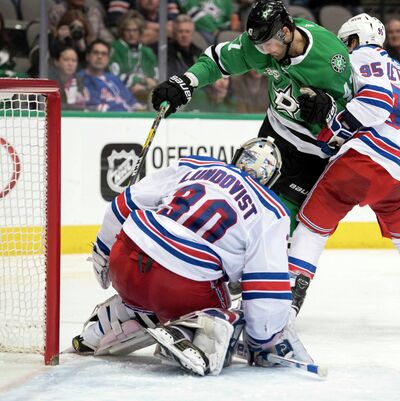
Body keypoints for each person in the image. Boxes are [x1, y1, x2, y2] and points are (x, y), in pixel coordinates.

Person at [72, 138, 314, 376]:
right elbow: (266, 289)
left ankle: (105, 326)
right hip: (181, 286)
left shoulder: (194, 165)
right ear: (270, 180)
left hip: (125, 259)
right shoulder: (271, 210)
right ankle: (191, 333)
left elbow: (121, 205)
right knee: (224, 308)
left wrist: (103, 254)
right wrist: (264, 340)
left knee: (154, 282)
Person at [286, 14, 400, 329]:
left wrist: (334, 128)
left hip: (365, 159)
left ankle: (291, 292)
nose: (343, 50)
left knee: (312, 223)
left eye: (345, 43)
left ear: (353, 40)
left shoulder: (358, 58)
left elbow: (376, 102)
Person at [151, 0, 353, 230]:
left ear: (286, 32)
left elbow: (355, 111)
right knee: (240, 204)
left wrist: (328, 109)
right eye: (259, 46)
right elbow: (217, 61)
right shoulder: (260, 42)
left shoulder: (331, 59)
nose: (264, 52)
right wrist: (187, 82)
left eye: (268, 45)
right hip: (274, 134)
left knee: (283, 223)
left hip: (314, 151)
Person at [78, 40, 145, 112]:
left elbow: (131, 101)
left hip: (127, 118)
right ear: (88, 56)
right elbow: (93, 106)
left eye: (104, 54)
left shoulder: (114, 78)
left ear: (108, 59)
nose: (100, 57)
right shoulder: (80, 79)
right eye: (96, 53)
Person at [109, 11, 159, 103]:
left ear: (140, 31)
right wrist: (141, 80)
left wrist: (146, 86)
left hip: (147, 92)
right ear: (122, 31)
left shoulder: (147, 51)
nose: (131, 34)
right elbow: (114, 76)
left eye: (135, 30)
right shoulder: (116, 49)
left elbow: (156, 78)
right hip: (121, 93)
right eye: (128, 30)